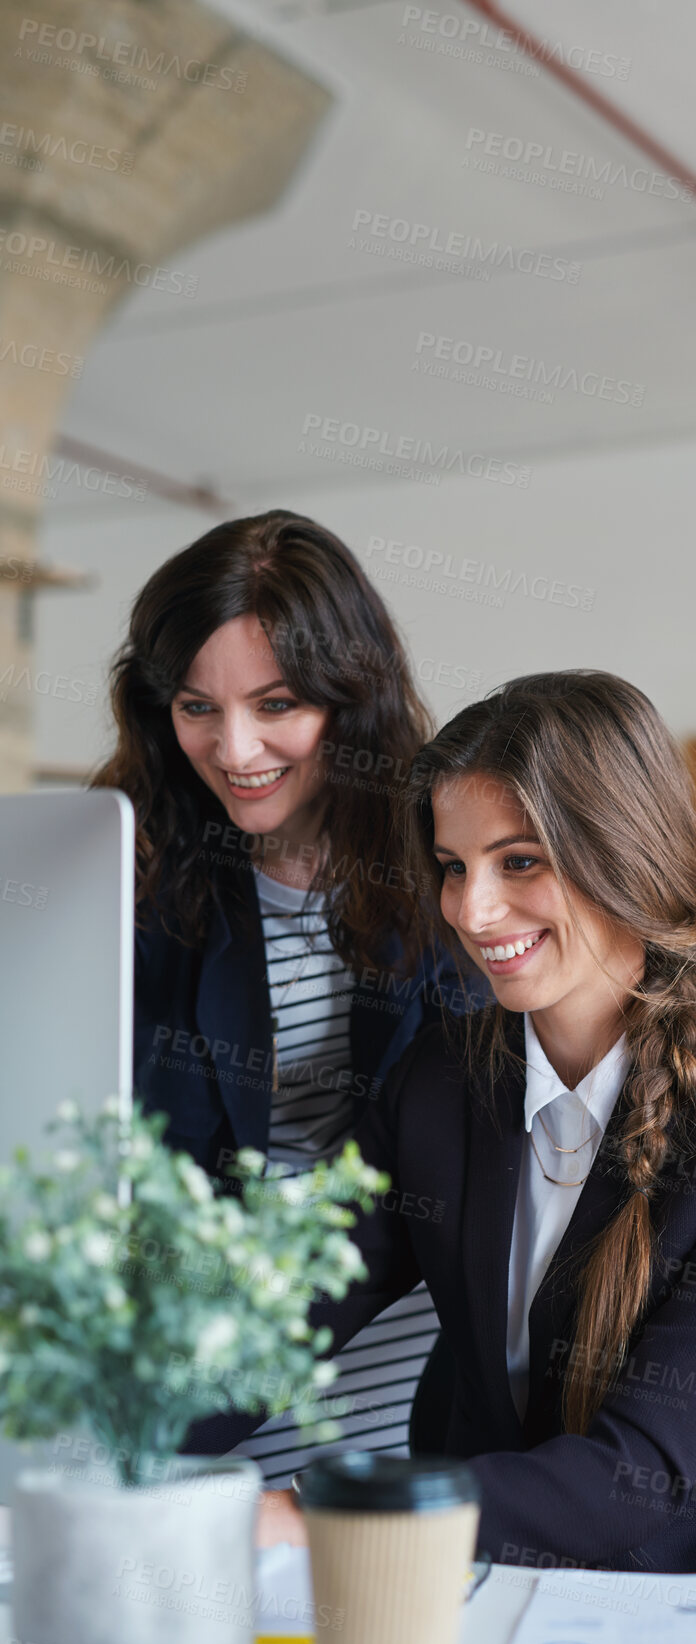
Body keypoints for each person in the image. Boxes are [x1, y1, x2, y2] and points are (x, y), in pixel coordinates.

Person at [254, 669, 696, 1571]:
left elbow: (637, 1474)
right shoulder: (438, 1078)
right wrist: (107, 1418)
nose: (472, 910)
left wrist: (324, 1515)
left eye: (518, 860)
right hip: (488, 1584)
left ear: (620, 852)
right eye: (454, 868)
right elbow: (285, 1312)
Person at [93, 508, 470, 1480]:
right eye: (196, 707)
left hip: (400, 1393)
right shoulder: (137, 882)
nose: (236, 748)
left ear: (352, 699)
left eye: (277, 704)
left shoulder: (459, 878)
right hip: (191, 1388)